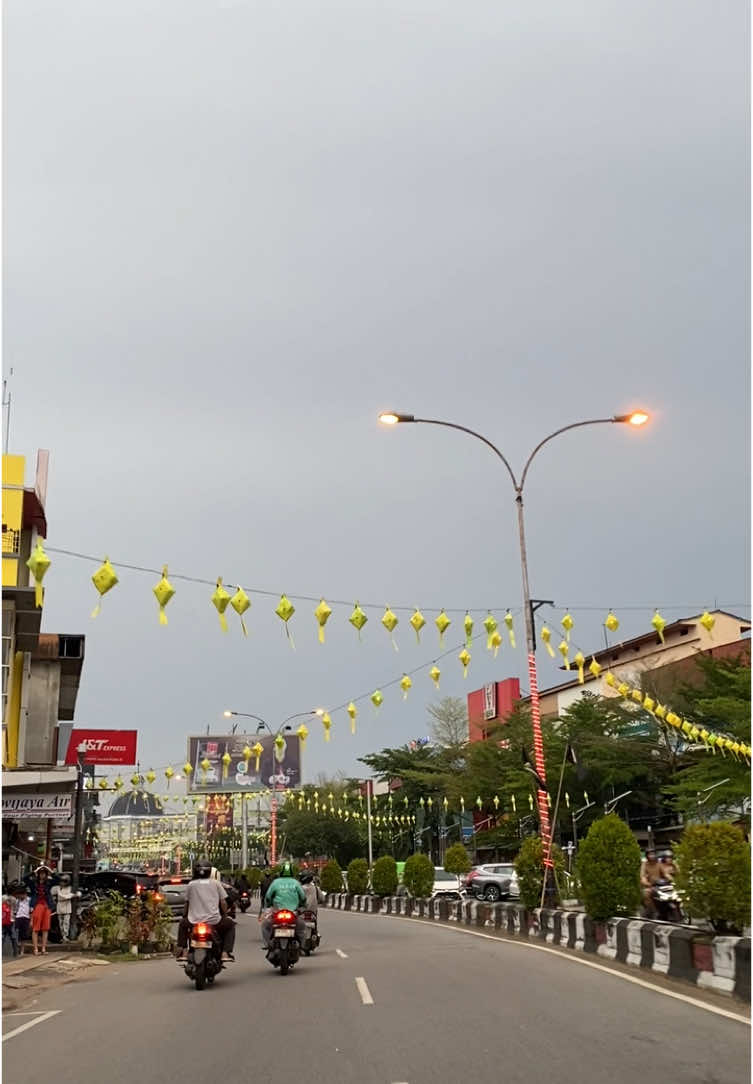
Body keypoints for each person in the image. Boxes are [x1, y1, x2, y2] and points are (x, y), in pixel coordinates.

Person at [175, 859, 235, 963]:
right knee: (230, 925)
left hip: (194, 921)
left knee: (182, 924)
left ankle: (184, 951)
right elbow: (223, 903)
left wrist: (184, 915)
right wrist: (225, 914)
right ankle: (225, 953)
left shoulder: (191, 885)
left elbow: (187, 903)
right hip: (214, 921)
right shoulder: (216, 883)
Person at [261, 862, 306, 949]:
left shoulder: (275, 882)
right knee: (302, 927)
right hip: (293, 913)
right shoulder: (296, 883)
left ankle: (267, 945)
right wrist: (301, 905)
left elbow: (268, 897)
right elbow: (303, 897)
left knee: (265, 925)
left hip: (277, 912)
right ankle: (302, 946)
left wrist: (269, 905)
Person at [29, 866, 55, 955]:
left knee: (45, 928)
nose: (42, 875)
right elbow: (25, 878)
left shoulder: (48, 883)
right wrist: (34, 871)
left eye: (44, 873)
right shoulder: (33, 883)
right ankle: (35, 949)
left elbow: (58, 879)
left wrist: (50, 871)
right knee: (36, 928)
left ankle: (43, 948)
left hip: (47, 906)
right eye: (40, 873)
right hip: (37, 906)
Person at [640, 848, 666, 917]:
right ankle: (654, 911)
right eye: (650, 854)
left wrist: (672, 879)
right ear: (647, 856)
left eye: (653, 854)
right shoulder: (645, 864)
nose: (652, 856)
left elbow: (666, 874)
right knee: (646, 894)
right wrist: (646, 882)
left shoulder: (659, 864)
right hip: (651, 886)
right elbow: (642, 876)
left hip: (661, 886)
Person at [53, 874, 79, 941]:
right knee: (60, 923)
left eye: (64, 881)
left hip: (67, 906)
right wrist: (72, 895)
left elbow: (77, 894)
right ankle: (62, 935)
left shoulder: (70, 888)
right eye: (61, 881)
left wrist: (73, 895)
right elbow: (62, 896)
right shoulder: (58, 888)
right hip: (60, 906)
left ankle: (65, 935)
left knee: (66, 922)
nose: (62, 882)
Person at [13, 885, 30, 950]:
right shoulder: (17, 901)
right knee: (16, 934)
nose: (19, 896)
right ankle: (16, 949)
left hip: (26, 918)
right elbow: (15, 910)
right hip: (18, 918)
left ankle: (22, 950)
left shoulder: (29, 900)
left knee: (24, 935)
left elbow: (31, 910)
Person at [2, 890, 19, 957]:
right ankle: (15, 953)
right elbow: (16, 909)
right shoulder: (14, 899)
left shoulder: (2, 897)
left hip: (3, 920)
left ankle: (15, 952)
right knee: (13, 936)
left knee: (2, 936)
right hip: (11, 920)